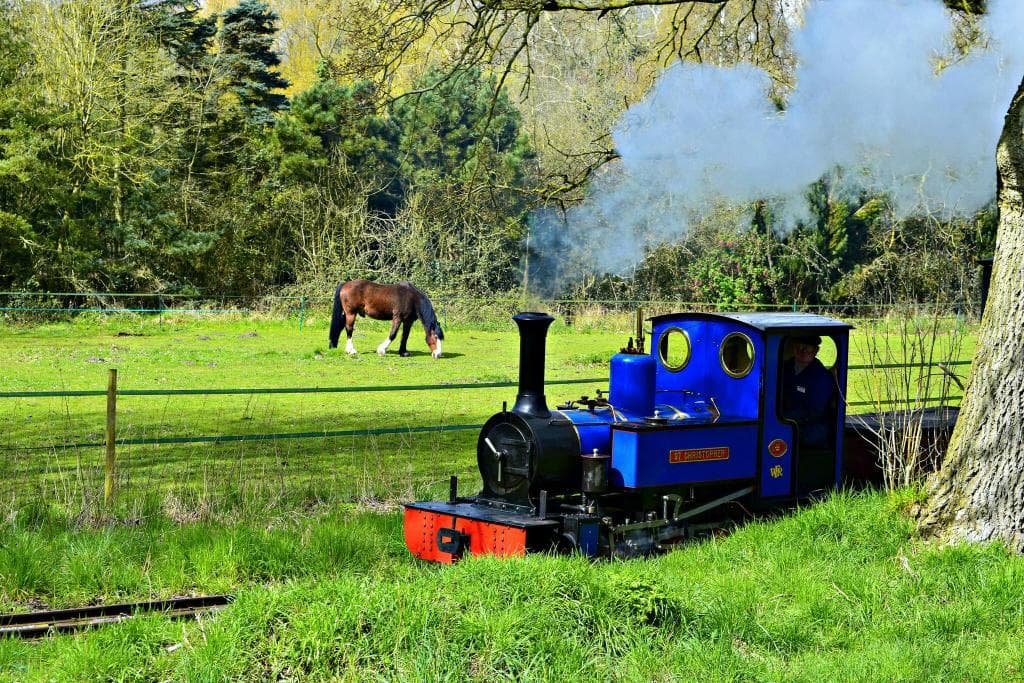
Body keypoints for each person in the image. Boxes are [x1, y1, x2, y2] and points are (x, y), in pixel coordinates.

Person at [781, 335, 835, 448]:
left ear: (816, 351)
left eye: (807, 348)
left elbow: (814, 410)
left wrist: (783, 419)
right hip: (784, 421)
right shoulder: (783, 368)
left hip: (811, 427)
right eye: (799, 347)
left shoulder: (822, 377)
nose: (803, 351)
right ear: (794, 349)